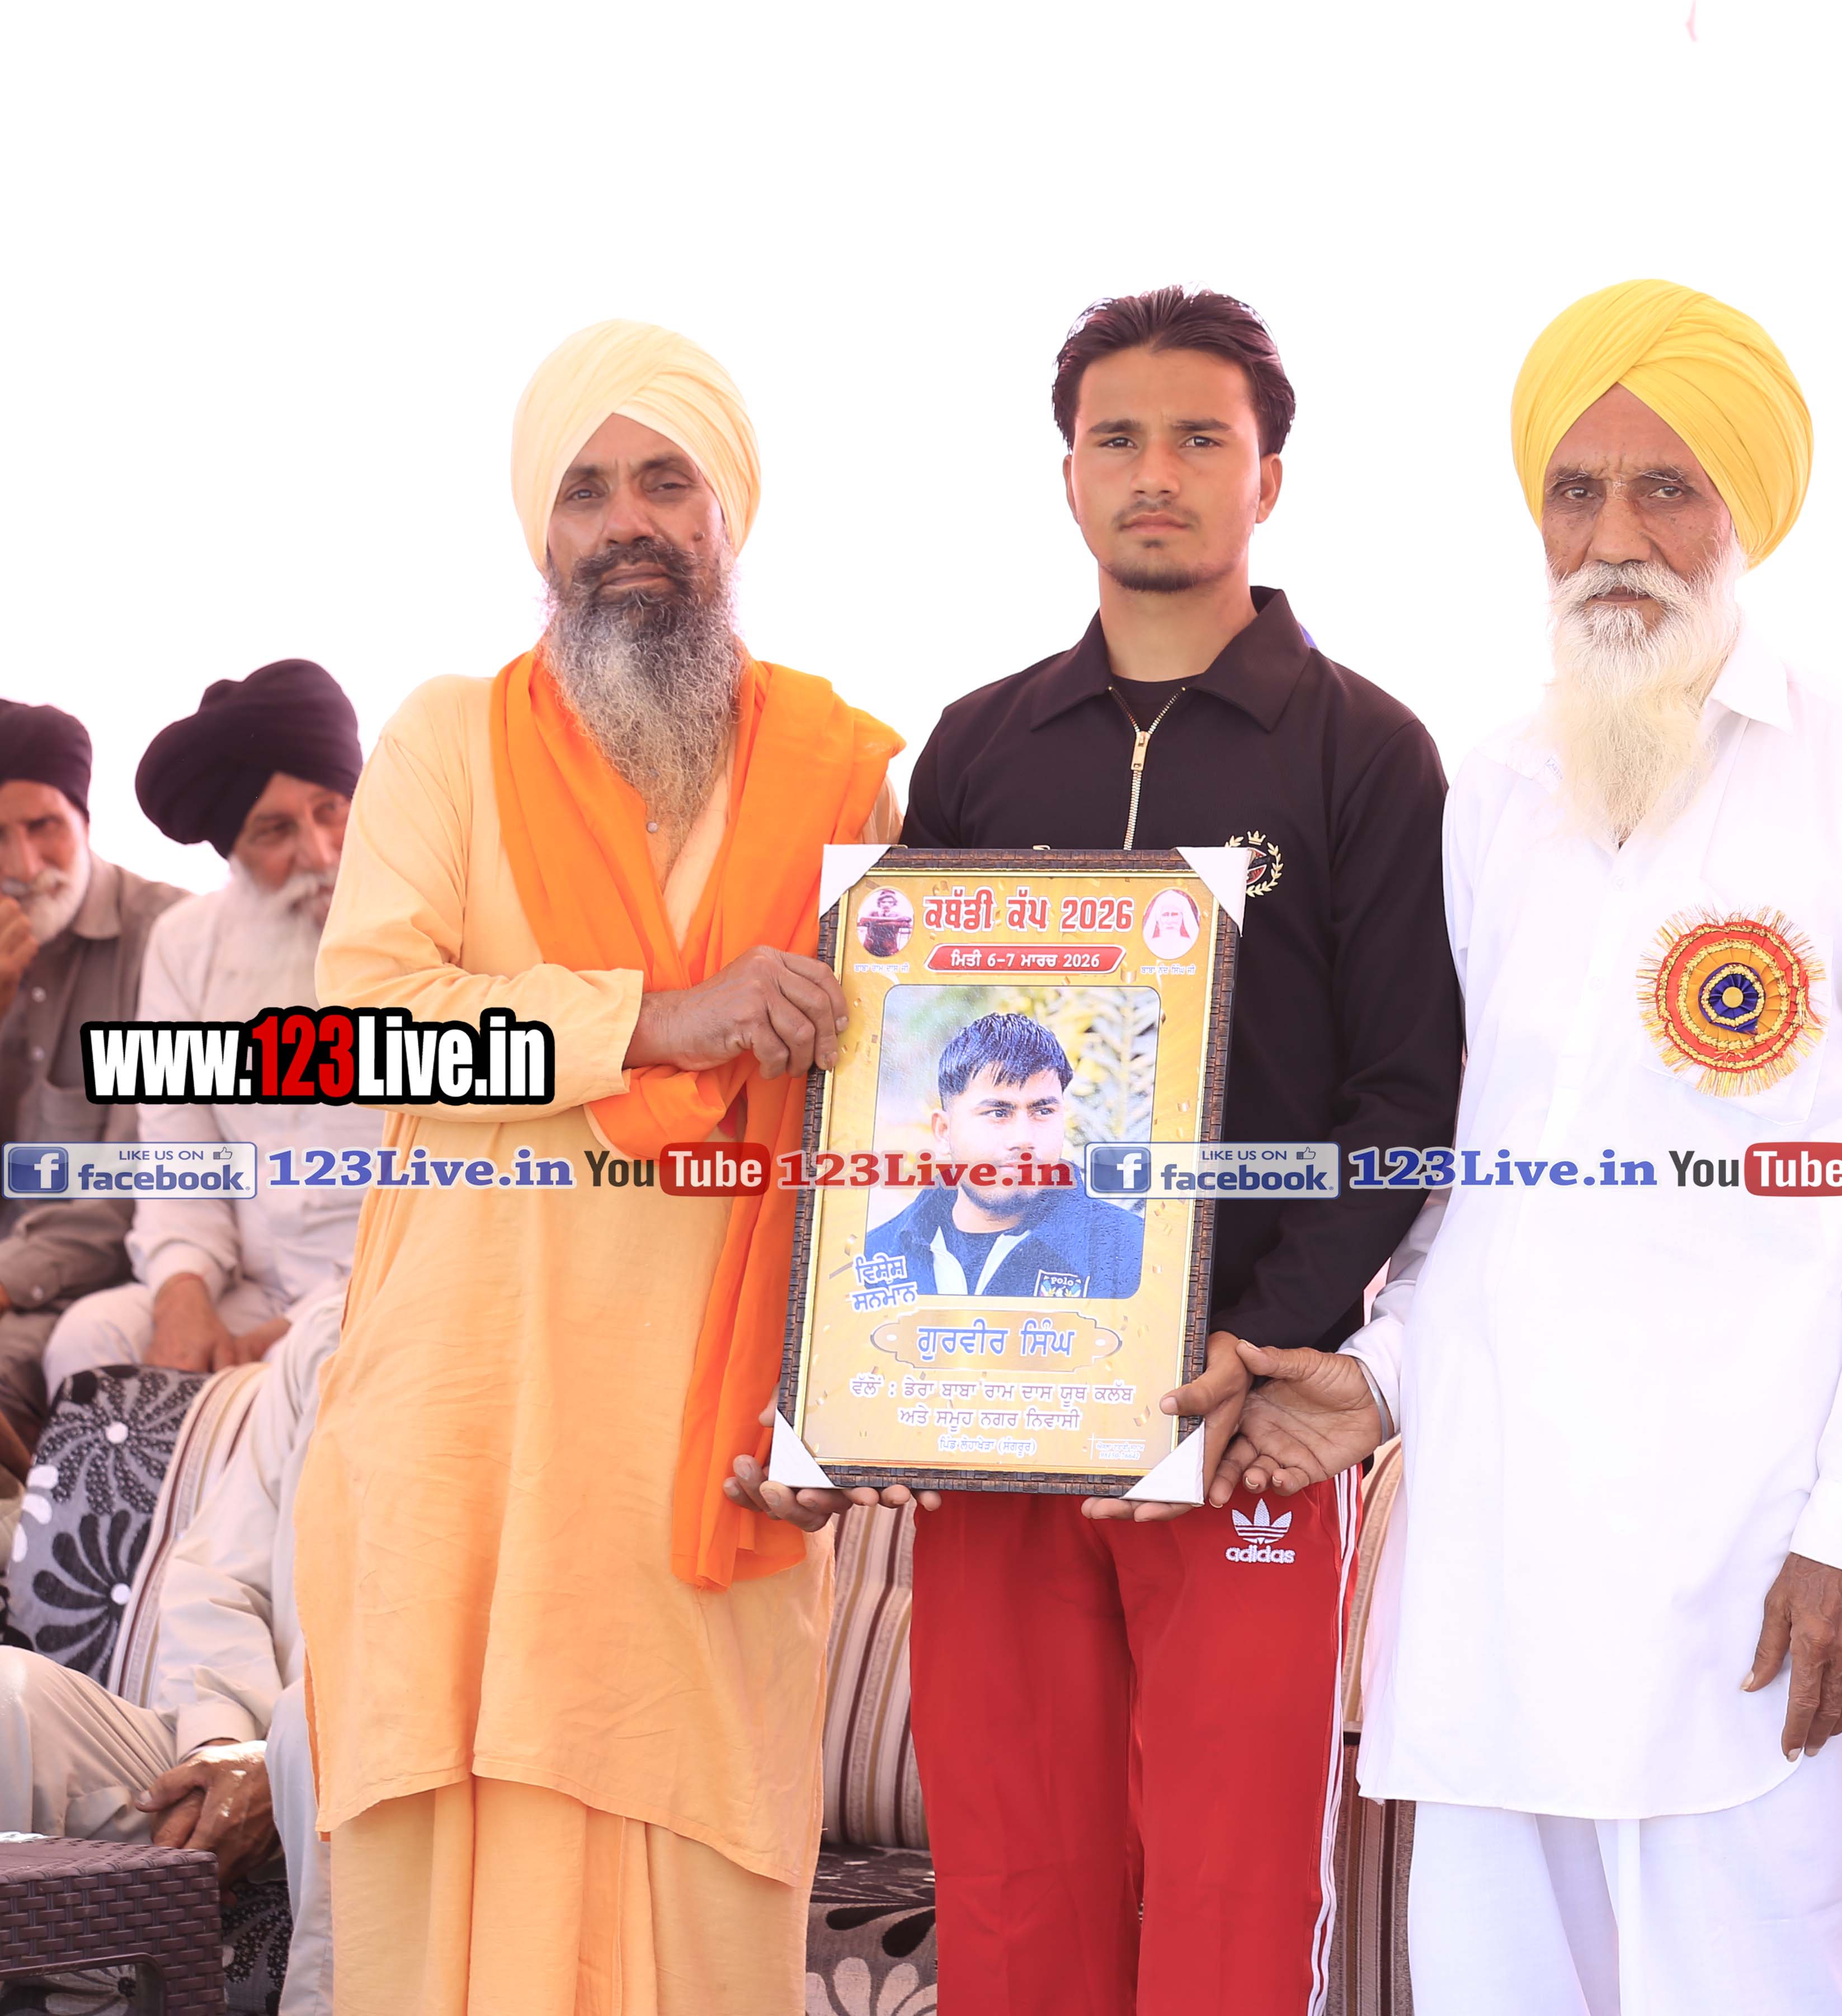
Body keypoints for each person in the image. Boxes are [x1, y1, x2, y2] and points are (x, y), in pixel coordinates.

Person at [1222, 280, 1842, 2016]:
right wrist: (1380, 1374)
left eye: (1667, 489)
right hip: (1498, 1566)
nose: (1616, 537)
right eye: (1577, 492)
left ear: (1745, 511)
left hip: (1750, 1571)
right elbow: (1475, 1180)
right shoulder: (1494, 788)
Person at [754, 286, 1459, 2016]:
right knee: (1014, 1894)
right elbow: (905, 1081)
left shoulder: (1367, 750)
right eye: (1118, 438)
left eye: (1202, 438)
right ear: (1067, 475)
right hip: (998, 1414)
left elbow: (1404, 1098)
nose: (1158, 472)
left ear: (1268, 478)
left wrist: (1266, 1340)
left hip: (1243, 1428)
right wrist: (868, 1358)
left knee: (1232, 1901)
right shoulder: (980, 746)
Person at [292, 319, 903, 2015]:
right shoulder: (447, 739)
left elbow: (902, 1112)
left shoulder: (850, 771)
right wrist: (658, 1016)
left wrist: (850, 1404)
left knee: (704, 1900)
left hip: (708, 1445)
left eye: (663, 480)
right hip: (469, 1433)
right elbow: (363, 1029)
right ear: (538, 528)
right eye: (585, 489)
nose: (625, 521)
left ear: (727, 514)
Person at [0, 1288, 350, 2013]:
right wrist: (223, 1745)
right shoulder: (334, 1327)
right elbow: (216, 1575)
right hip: (239, 1728)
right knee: (8, 1697)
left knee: (303, 1733)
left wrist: (291, 1755)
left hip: (375, 1766)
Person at [44, 659, 383, 1389]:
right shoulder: (185, 943)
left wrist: (298, 1327)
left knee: (304, 1368)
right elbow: (179, 1154)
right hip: (254, 1284)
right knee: (91, 1341)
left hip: (398, 1283)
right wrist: (183, 1291)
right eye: (275, 830)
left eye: (331, 810)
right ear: (234, 852)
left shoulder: (439, 923)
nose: (320, 854)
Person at [0, 699, 185, 1442]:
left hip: (97, 1288)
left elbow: (137, 1182)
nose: (23, 867)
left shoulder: (168, 939)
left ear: (84, 819)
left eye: (44, 826)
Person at [859, 1009, 1143, 1300]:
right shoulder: (875, 1259)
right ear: (944, 1131)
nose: (1024, 1139)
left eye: (1043, 1111)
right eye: (998, 1113)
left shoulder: (1134, 1255)